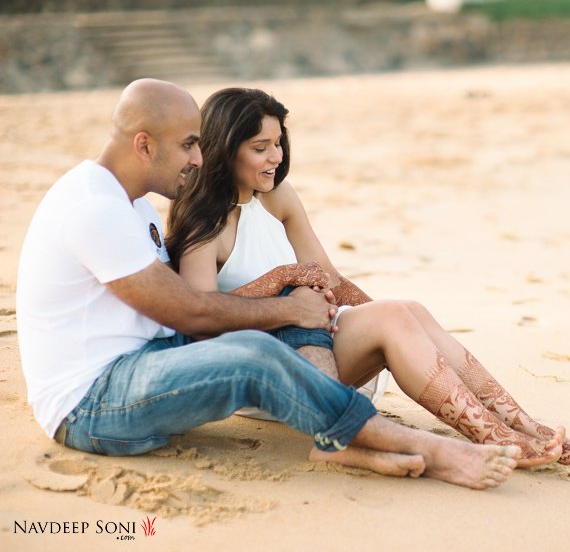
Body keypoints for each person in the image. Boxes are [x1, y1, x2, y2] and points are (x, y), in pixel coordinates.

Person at [15, 78, 521, 490]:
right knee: (255, 351)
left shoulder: (135, 206)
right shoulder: (92, 208)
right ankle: (414, 446)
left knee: (281, 312)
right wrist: (287, 306)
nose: (198, 157)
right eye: (189, 144)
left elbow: (188, 312)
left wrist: (297, 301)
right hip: (93, 403)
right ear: (144, 144)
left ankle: (348, 438)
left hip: (146, 362)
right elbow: (190, 311)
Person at [166, 87, 570, 467]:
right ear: (226, 149)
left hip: (318, 344)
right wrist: (281, 278)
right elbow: (201, 319)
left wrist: (392, 321)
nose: (276, 157)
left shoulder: (277, 196)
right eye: (261, 148)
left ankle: (525, 426)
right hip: (270, 373)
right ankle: (498, 439)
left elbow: (330, 278)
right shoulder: (205, 223)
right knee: (393, 317)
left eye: (279, 144)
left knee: (408, 310)